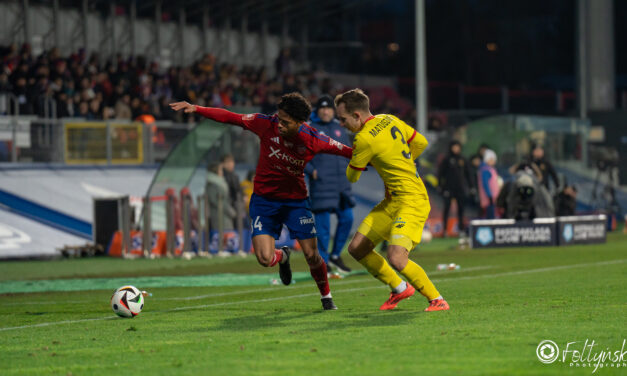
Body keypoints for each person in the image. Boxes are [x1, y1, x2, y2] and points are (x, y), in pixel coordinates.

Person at [170, 93, 353, 310]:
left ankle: (326, 297)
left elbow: (346, 151)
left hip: (295, 202)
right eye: (279, 118)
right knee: (265, 258)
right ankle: (283, 256)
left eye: (286, 122)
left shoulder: (314, 139)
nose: (280, 124)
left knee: (312, 255)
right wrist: (198, 108)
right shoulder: (266, 123)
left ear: (300, 123)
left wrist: (371, 160)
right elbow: (231, 117)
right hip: (264, 202)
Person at [334, 88, 449, 312]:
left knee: (397, 258)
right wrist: (405, 162)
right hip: (392, 200)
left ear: (357, 116)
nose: (341, 124)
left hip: (411, 200)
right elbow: (421, 143)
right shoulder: (388, 119)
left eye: (343, 119)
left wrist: (352, 156)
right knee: (357, 248)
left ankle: (437, 299)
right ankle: (399, 288)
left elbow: (352, 176)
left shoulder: (363, 139)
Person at [305, 95, 355, 274]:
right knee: (323, 228)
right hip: (322, 184)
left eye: (329, 108)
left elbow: (348, 151)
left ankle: (335, 255)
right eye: (322, 108)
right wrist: (312, 171)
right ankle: (323, 263)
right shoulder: (310, 128)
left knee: (347, 218)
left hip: (342, 183)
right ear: (317, 110)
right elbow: (300, 155)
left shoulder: (338, 127)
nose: (326, 111)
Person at [437, 140, 472, 236]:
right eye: (454, 147)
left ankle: (461, 230)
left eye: (458, 147)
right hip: (448, 188)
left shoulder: (463, 159)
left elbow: (468, 174)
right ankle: (444, 230)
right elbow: (440, 174)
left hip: (460, 188)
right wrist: (440, 186)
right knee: (447, 209)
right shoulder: (447, 159)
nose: (456, 149)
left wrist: (471, 186)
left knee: (461, 209)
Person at [206, 162, 237, 256]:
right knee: (219, 231)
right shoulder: (212, 183)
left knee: (227, 231)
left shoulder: (220, 182)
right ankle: (219, 250)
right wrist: (230, 211)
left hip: (225, 213)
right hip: (218, 213)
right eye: (220, 170)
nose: (221, 172)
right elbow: (216, 200)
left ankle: (226, 249)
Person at [477, 149, 501, 219]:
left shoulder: (490, 169)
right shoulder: (485, 170)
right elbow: (485, 184)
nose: (493, 161)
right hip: (489, 198)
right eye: (492, 159)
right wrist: (489, 195)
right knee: (490, 216)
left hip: (493, 198)